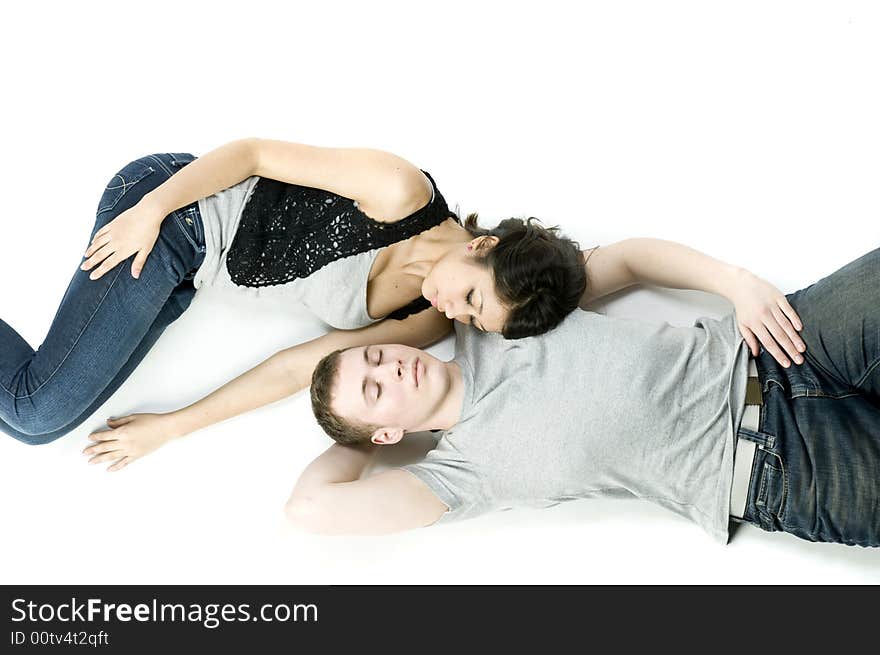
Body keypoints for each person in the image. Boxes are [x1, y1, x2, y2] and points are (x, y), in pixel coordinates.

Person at [0, 139, 589, 469]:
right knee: (35, 411)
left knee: (30, 429)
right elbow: (253, 154)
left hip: (190, 272)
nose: (455, 311)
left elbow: (294, 368)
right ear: (484, 246)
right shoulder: (401, 191)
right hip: (171, 216)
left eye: (473, 318)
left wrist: (170, 429)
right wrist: (150, 211)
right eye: (470, 295)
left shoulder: (423, 317)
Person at [292, 247, 880, 547]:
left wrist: (736, 284)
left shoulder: (495, 315)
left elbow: (626, 258)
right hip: (781, 470)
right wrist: (360, 438)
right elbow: (310, 508)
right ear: (387, 434)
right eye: (375, 389)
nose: (391, 367)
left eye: (376, 356)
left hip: (777, 340)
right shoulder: (457, 474)